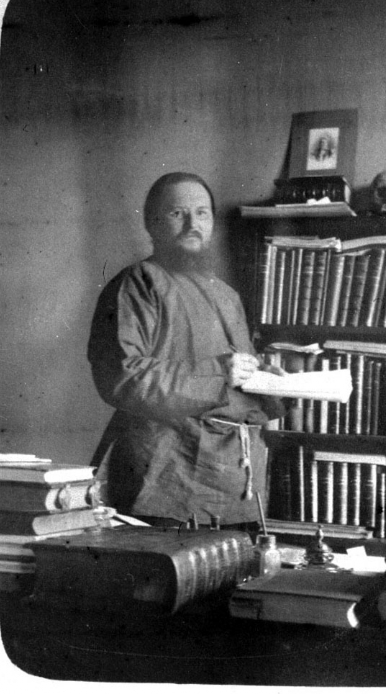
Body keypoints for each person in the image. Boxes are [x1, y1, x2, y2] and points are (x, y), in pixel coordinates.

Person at [87, 172, 285, 529]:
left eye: (202, 213)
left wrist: (267, 381)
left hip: (236, 484)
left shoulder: (226, 295)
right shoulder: (139, 283)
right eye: (178, 213)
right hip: (168, 478)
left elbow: (234, 383)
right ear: (152, 223)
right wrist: (219, 372)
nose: (193, 224)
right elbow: (122, 376)